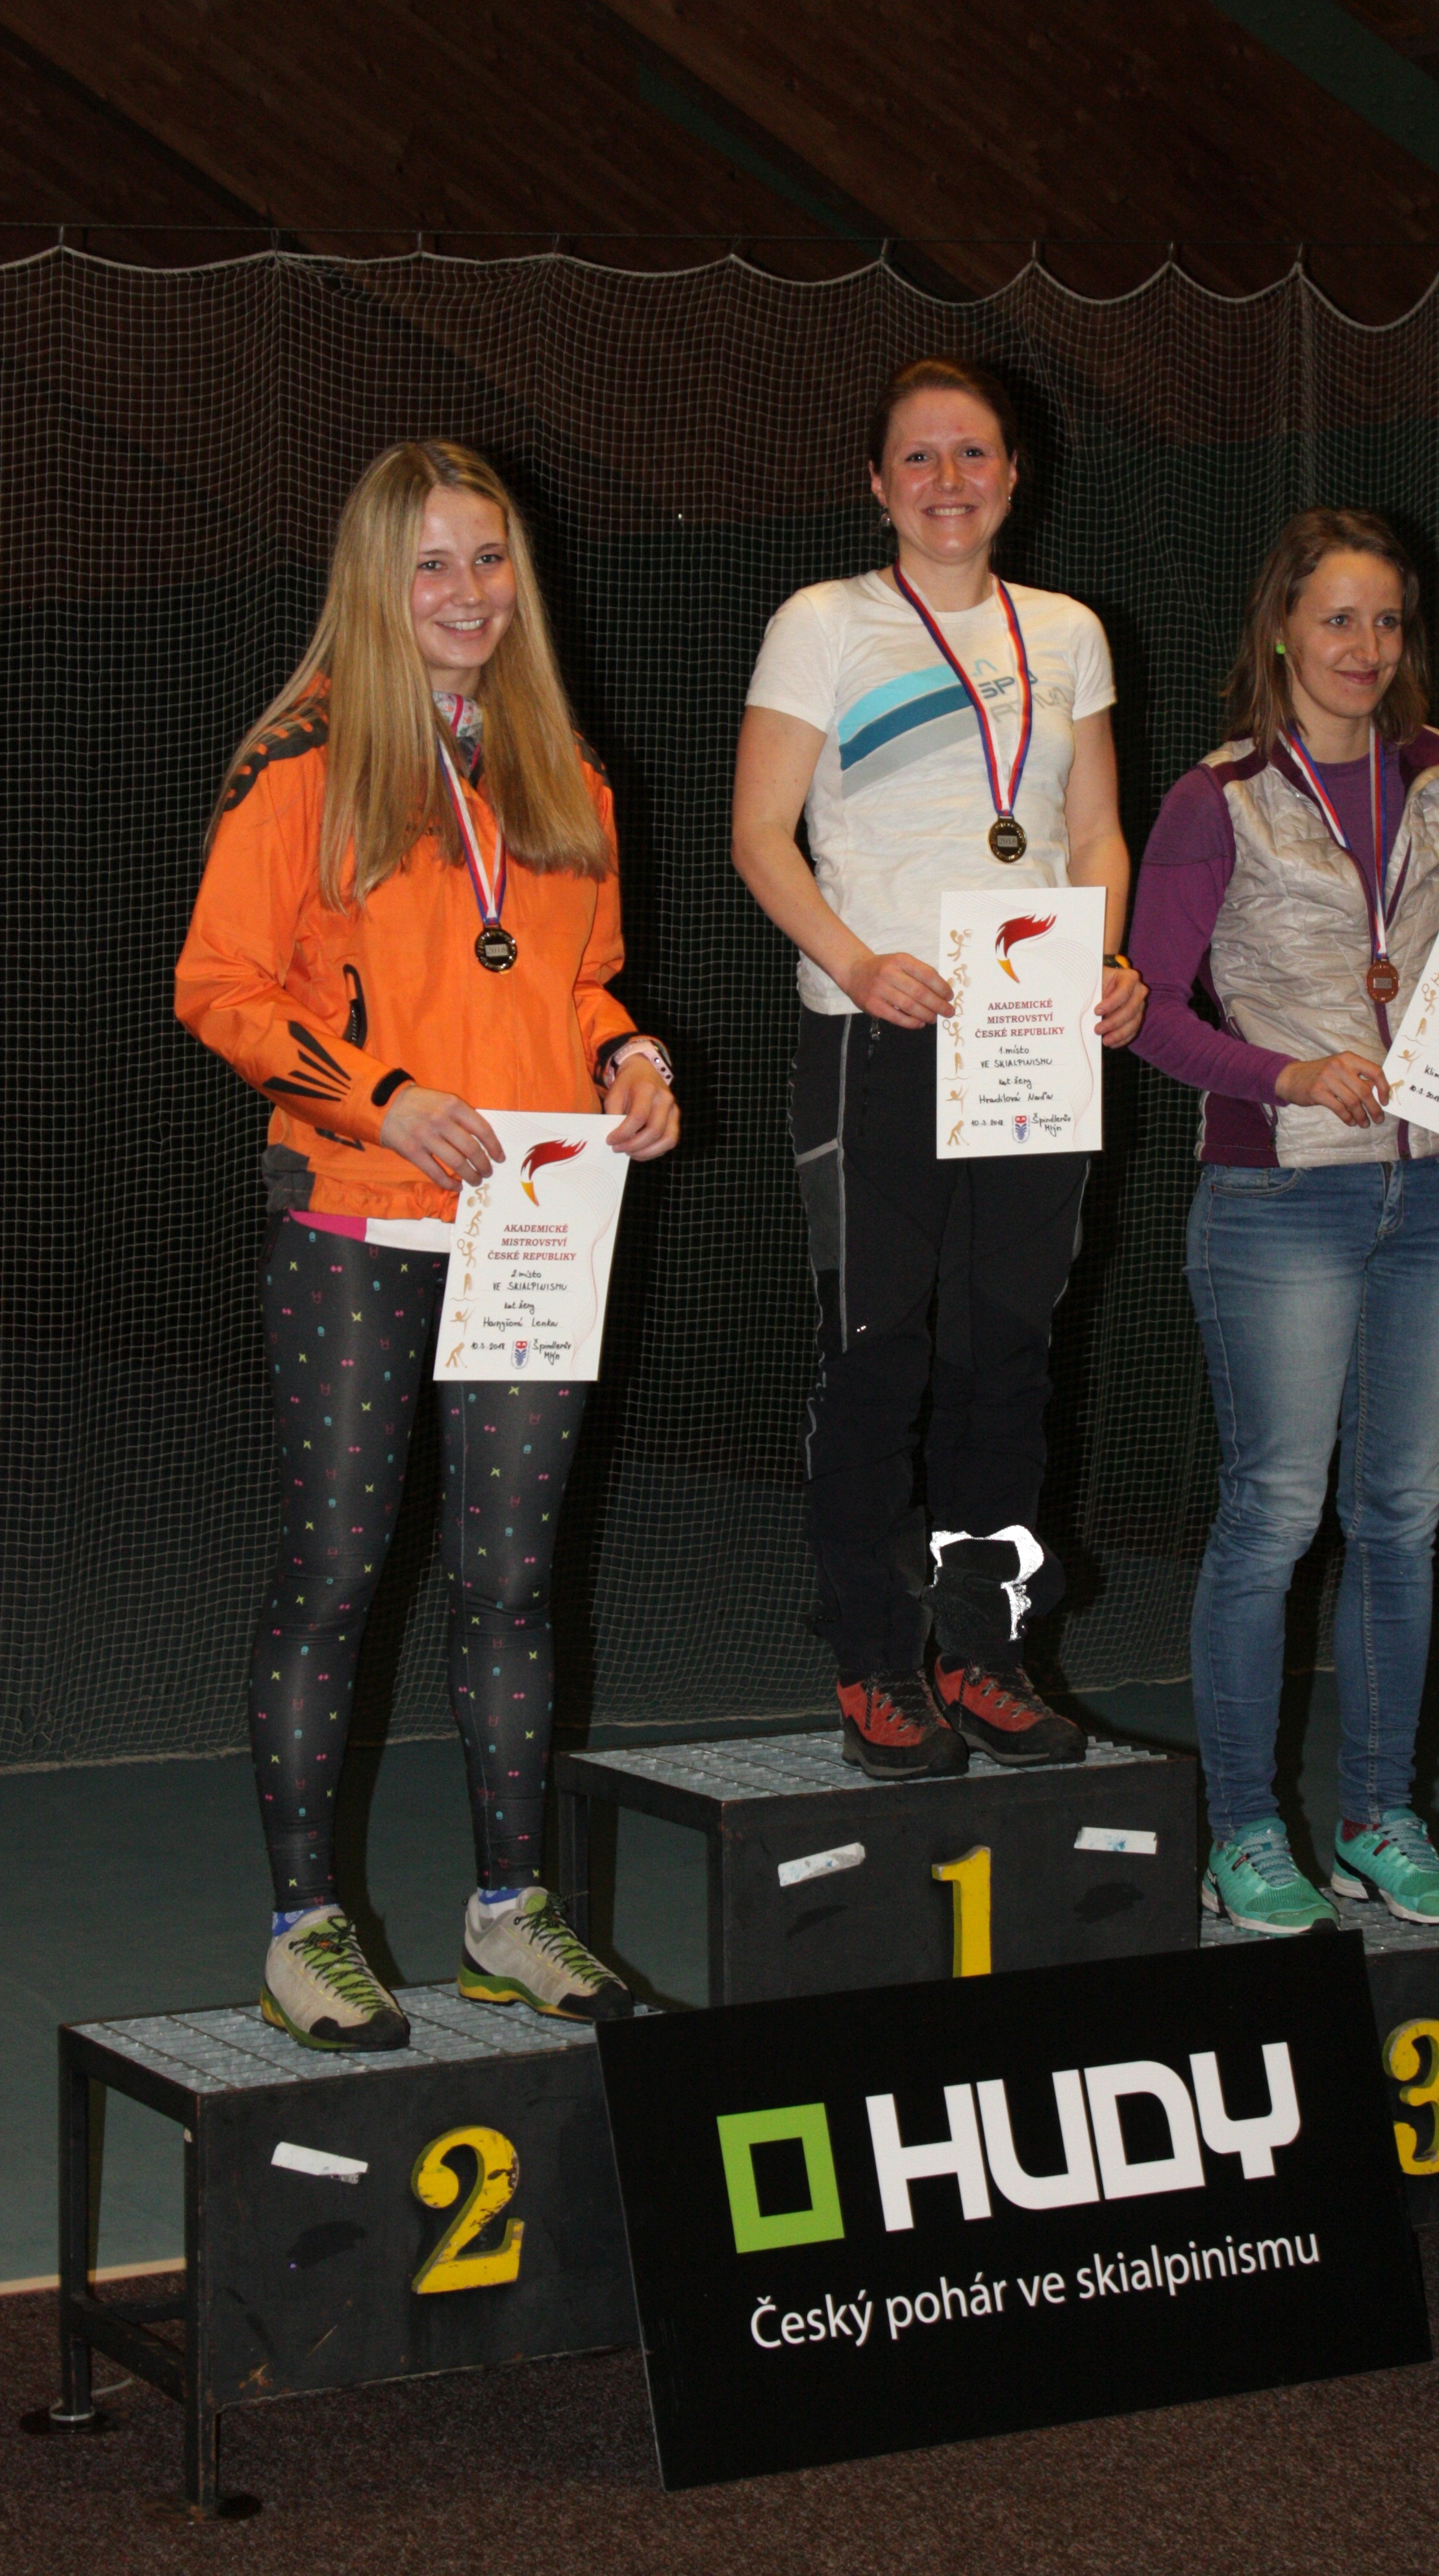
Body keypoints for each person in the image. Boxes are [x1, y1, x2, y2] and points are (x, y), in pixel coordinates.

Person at [177, 441, 679, 2048]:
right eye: (433, 565)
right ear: (376, 585)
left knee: (512, 1578)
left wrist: (629, 1057)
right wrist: (381, 1100)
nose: (469, 593)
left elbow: (578, 979)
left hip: (527, 1229)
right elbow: (219, 985)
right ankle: (302, 1927)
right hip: (358, 1218)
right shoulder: (302, 758)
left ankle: (508, 1910)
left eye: (489, 558)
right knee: (335, 1572)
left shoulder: (562, 766)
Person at [1128, 506, 1439, 1933]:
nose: (1364, 646)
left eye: (1386, 620)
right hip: (1279, 1194)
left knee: (1402, 1514)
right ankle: (1241, 1831)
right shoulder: (1214, 799)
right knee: (1275, 1512)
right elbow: (1141, 1008)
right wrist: (1284, 1073)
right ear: (1281, 629)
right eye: (1336, 617)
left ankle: (1377, 1816)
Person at [732, 357, 1147, 1780]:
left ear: (1014, 473)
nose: (947, 481)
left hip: (1028, 1043)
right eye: (918, 457)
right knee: (879, 1353)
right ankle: (873, 1657)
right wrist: (858, 965)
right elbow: (759, 834)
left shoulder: (1069, 632)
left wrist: (1102, 957)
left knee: (1006, 1352)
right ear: (876, 483)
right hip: (877, 1036)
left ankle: (981, 1649)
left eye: (973, 453)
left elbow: (1094, 830)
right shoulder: (822, 624)